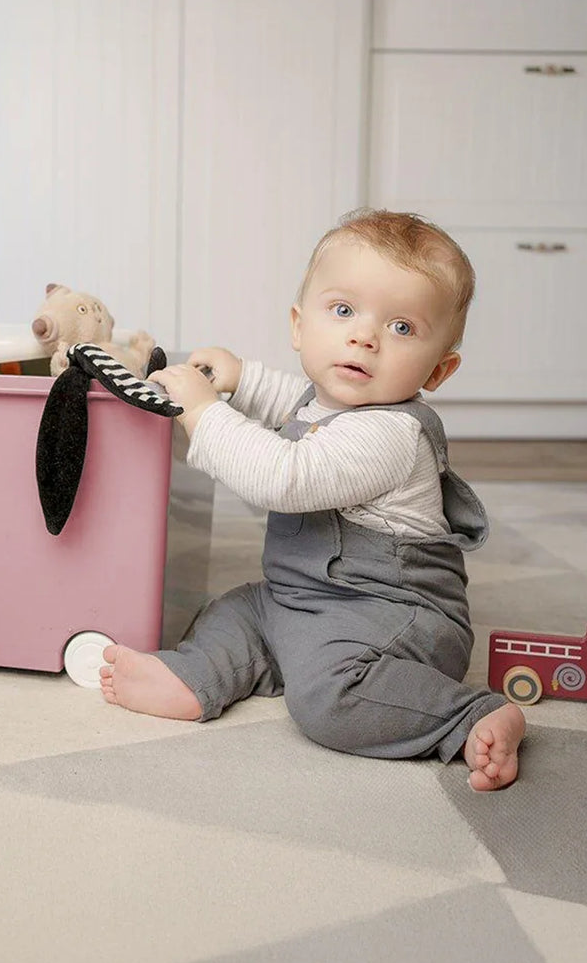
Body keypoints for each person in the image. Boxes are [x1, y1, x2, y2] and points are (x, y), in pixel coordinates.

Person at [99, 209, 525, 791]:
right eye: (344, 310)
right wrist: (240, 377)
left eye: (402, 327)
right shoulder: (332, 399)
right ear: (300, 326)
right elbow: (293, 403)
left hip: (391, 622)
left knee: (326, 700)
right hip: (302, 599)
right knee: (235, 611)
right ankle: (195, 677)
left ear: (440, 369)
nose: (364, 336)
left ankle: (467, 712)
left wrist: (203, 411)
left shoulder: (391, 435)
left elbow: (285, 477)